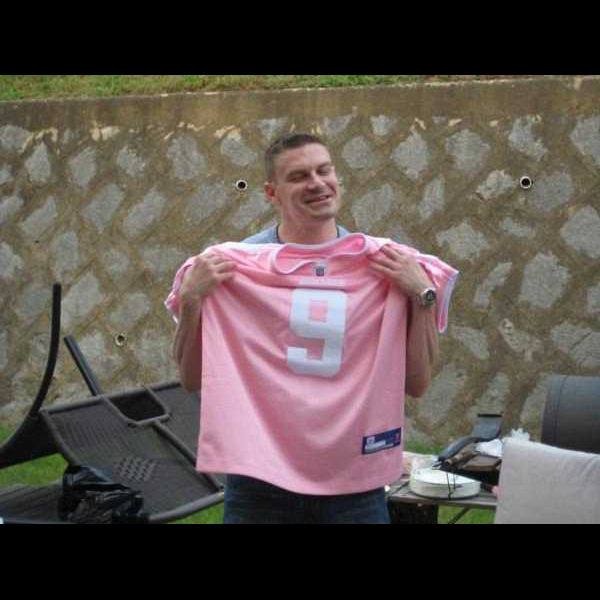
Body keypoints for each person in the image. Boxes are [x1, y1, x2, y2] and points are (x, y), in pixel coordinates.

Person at [167, 133, 457, 524]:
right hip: (259, 484)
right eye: (299, 176)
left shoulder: (388, 265)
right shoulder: (230, 268)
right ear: (272, 192)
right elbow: (190, 379)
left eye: (324, 171)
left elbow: (417, 384)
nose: (317, 183)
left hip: (354, 484)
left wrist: (424, 295)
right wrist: (190, 301)